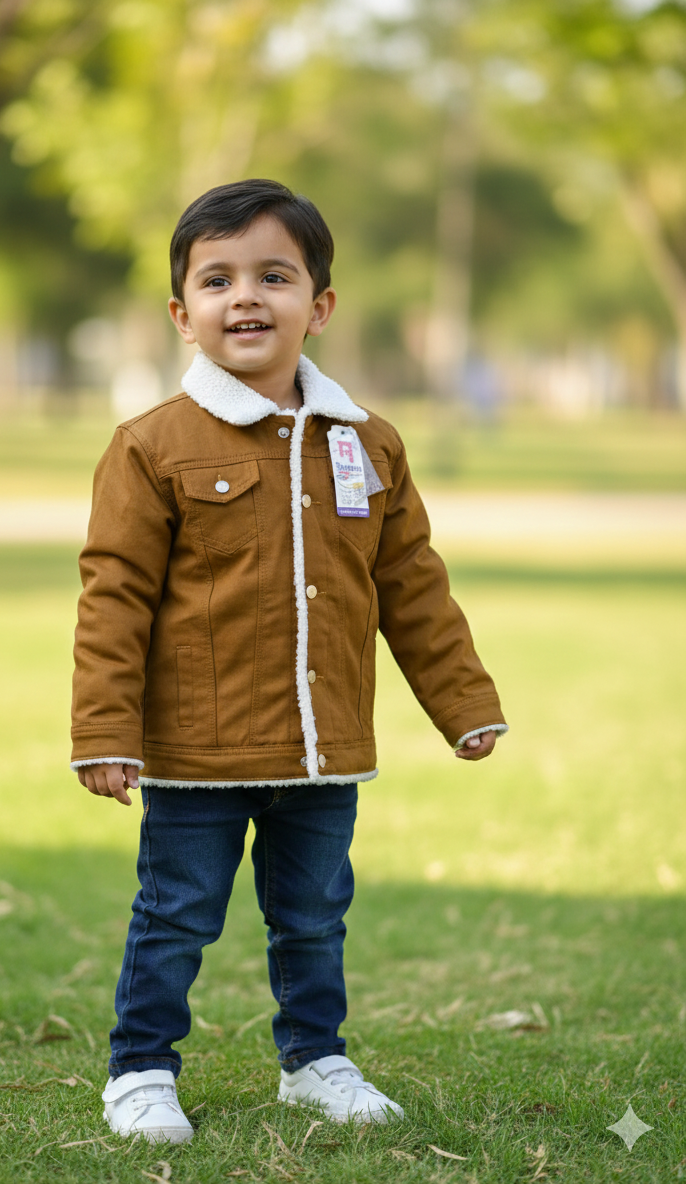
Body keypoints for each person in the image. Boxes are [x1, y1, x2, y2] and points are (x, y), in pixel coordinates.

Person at [70, 179, 507, 1143]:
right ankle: (140, 1070)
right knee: (177, 914)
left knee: (313, 916)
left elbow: (413, 586)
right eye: (217, 280)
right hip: (197, 752)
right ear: (182, 315)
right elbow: (114, 597)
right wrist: (105, 731)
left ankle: (316, 1061)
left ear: (320, 306)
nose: (246, 297)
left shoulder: (368, 443)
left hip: (324, 748)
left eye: (274, 276)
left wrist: (464, 701)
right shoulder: (150, 446)